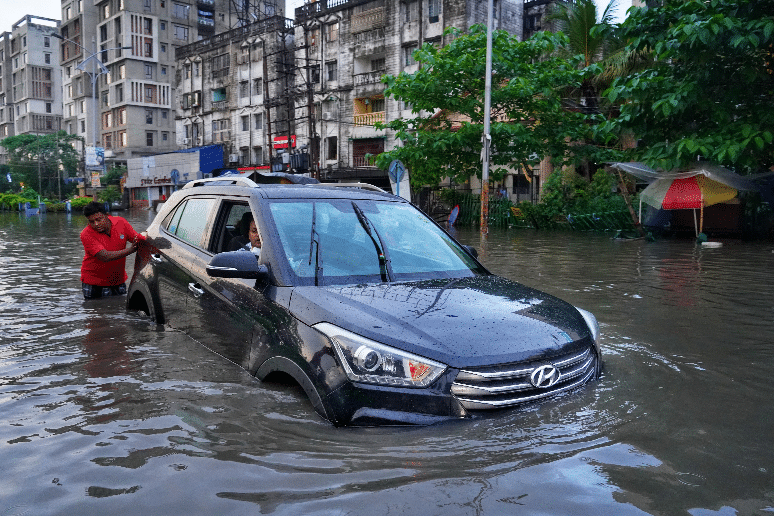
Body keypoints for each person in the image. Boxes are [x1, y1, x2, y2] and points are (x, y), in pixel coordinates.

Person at [80, 201, 145, 299]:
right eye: (91, 221)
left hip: (118, 280)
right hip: (94, 283)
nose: (96, 224)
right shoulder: (86, 234)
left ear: (107, 215)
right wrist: (131, 250)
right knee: (95, 311)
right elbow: (104, 256)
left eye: (99, 219)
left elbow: (137, 239)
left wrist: (148, 237)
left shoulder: (121, 222)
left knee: (118, 309)